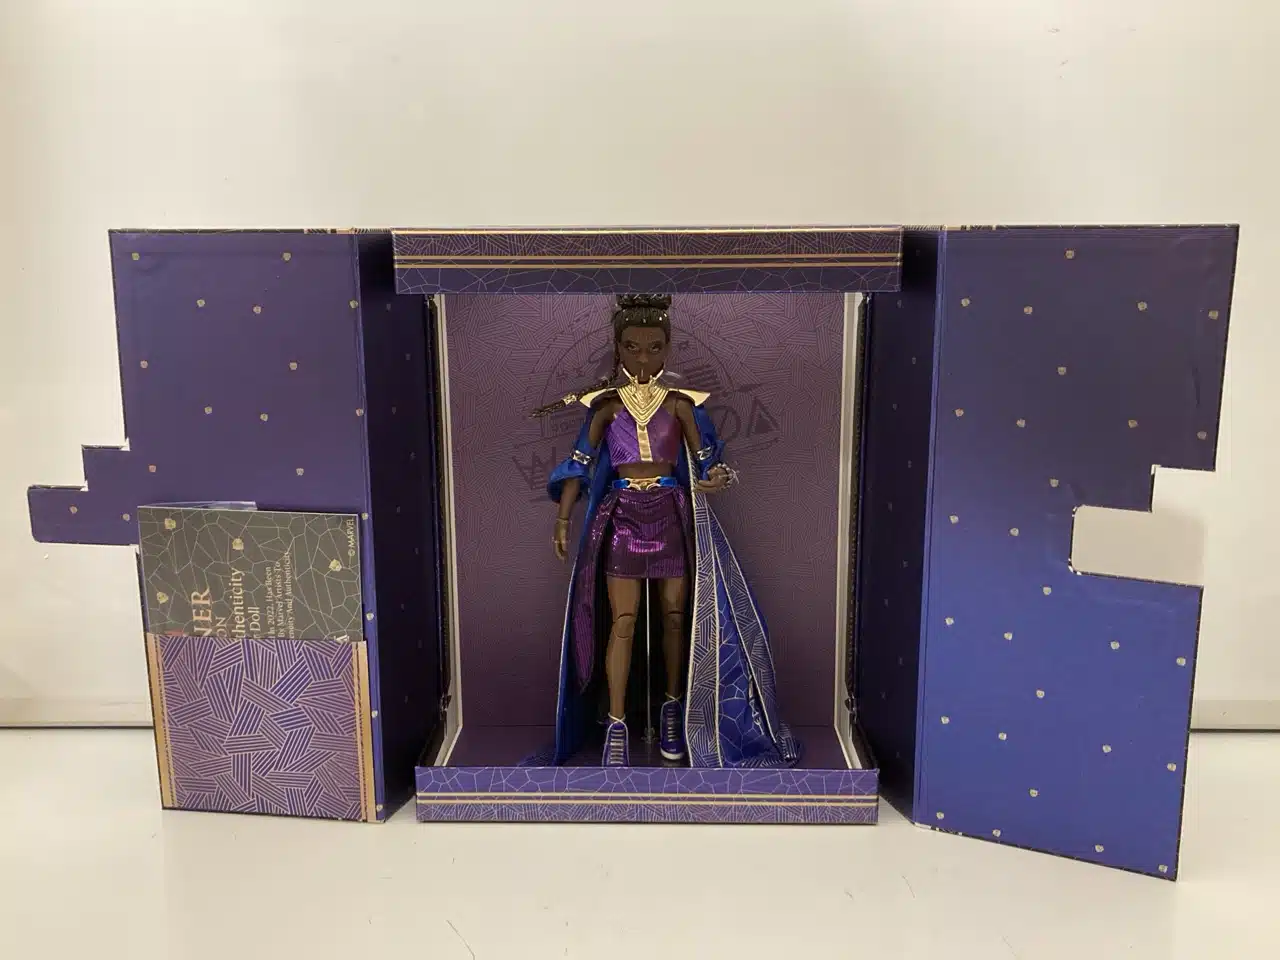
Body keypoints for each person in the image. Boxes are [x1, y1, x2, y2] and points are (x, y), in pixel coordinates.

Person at [539, 294, 798, 769]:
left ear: (668, 348)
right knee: (623, 621)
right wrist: (563, 518)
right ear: (618, 348)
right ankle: (617, 721)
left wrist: (716, 476)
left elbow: (707, 459)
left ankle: (674, 709)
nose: (644, 357)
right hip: (622, 516)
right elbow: (578, 464)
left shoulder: (681, 405)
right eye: (633, 347)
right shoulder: (605, 408)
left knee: (676, 618)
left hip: (670, 514)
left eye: (654, 347)